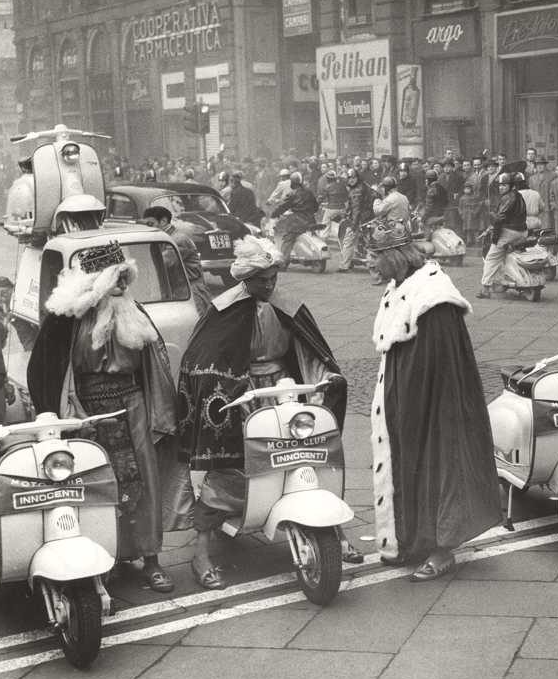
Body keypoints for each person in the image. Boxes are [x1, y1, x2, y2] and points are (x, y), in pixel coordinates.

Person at [177, 237, 356, 589]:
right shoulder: (224, 309)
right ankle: (201, 551)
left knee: (310, 455)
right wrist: (230, 389)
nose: (270, 285)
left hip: (284, 388)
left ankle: (332, 529)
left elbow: (310, 349)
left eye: (274, 277)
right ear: (246, 279)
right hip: (242, 395)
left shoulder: (286, 304)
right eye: (262, 280)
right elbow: (203, 359)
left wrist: (327, 376)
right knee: (229, 469)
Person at [27, 242, 184, 593]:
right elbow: (46, 370)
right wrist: (62, 412)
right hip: (85, 411)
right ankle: (104, 557)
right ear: (95, 281)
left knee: (144, 481)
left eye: (125, 278)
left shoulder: (134, 311)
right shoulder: (66, 319)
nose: (122, 286)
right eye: (115, 278)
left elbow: (154, 368)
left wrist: (163, 411)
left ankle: (151, 559)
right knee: (95, 484)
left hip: (134, 406)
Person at [365, 219, 501, 580]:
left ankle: (442, 549)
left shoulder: (434, 294)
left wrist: (420, 403)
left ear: (394, 256)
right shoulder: (401, 284)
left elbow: (440, 360)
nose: (370, 263)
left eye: (375, 256)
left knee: (439, 464)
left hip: (435, 400)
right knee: (410, 465)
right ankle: (412, 539)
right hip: (408, 395)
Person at [141, 206, 212, 315]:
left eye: (150, 224)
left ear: (163, 221)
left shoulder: (178, 239)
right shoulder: (163, 238)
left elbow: (163, 263)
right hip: (179, 291)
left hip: (191, 292)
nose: (147, 228)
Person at [478, 172, 527, 299]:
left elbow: (500, 219)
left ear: (511, 186)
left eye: (504, 185)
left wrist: (494, 236)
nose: (501, 188)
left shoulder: (508, 198)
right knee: (504, 256)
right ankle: (500, 282)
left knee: (491, 258)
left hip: (510, 232)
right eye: (500, 185)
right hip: (522, 231)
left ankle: (485, 288)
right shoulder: (518, 195)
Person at [270, 172, 319, 259]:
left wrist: (274, 214)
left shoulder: (292, 194)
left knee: (288, 238)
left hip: (297, 221)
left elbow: (283, 207)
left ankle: (283, 261)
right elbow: (316, 207)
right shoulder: (309, 192)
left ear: (292, 182)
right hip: (311, 220)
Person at [337, 168, 376, 272]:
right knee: (369, 242)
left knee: (348, 241)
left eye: (353, 177)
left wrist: (354, 225)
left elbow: (356, 209)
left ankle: (345, 265)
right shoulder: (364, 185)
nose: (351, 180)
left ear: (357, 178)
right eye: (349, 178)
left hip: (360, 220)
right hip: (370, 218)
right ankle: (373, 264)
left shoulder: (356, 191)